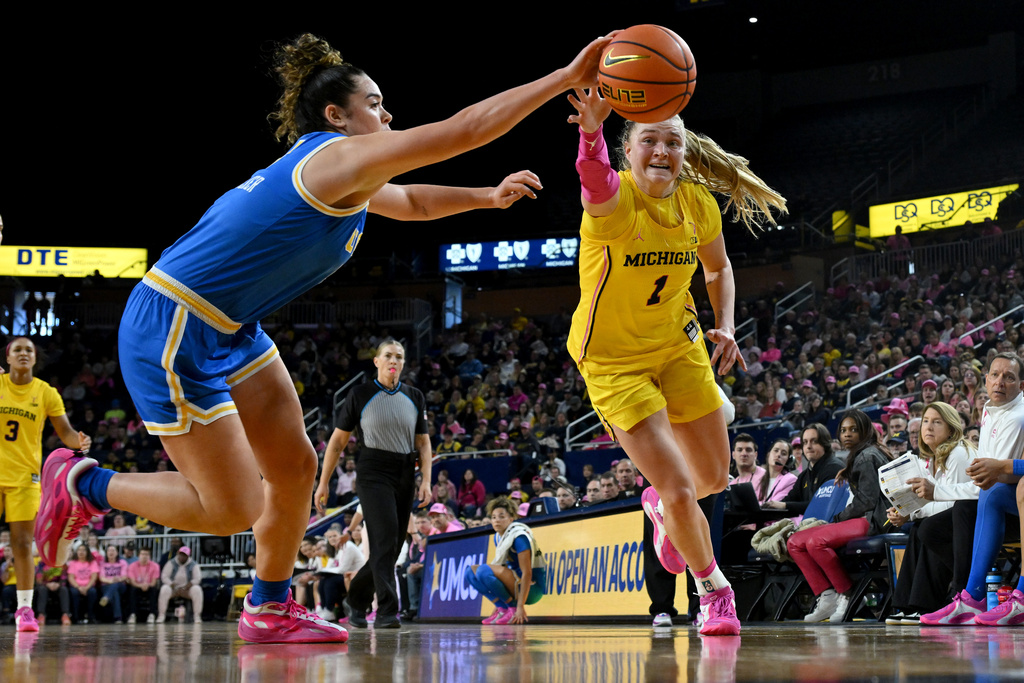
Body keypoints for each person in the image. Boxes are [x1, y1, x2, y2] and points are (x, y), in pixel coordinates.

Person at [34, 31, 614, 644]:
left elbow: (413, 201)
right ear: (336, 116)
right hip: (174, 324)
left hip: (230, 326)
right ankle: (83, 483)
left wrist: (485, 197)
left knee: (293, 467)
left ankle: (270, 607)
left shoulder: (348, 174)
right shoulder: (333, 158)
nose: (388, 115)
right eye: (375, 103)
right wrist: (562, 77)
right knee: (232, 507)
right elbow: (464, 128)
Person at [564, 84, 786, 636]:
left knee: (713, 477)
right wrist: (591, 132)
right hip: (614, 364)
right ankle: (714, 593)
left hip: (679, 346)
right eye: (649, 141)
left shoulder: (698, 204)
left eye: (673, 142)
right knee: (681, 488)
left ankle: (663, 513)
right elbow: (592, 177)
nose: (662, 151)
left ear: (686, 153)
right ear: (627, 153)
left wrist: (727, 325)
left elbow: (718, 268)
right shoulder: (613, 206)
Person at [316, 340, 432, 630]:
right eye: (388, 356)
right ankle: (387, 612)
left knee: (391, 548)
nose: (394, 360)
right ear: (377, 362)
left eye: (400, 357)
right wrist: (323, 483)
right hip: (373, 472)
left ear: (404, 364)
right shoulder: (360, 394)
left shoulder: (415, 396)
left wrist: (427, 480)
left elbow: (423, 442)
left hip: (406, 471)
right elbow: (338, 442)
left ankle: (355, 600)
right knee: (382, 543)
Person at [922, 353, 1024, 626]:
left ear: (1021, 386)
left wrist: (1005, 466)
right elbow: (988, 478)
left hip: (1009, 505)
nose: (1000, 382)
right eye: (995, 375)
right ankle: (967, 595)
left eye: (1009, 377)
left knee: (978, 502)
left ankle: (974, 594)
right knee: (929, 529)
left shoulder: (1018, 417)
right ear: (986, 379)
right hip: (1005, 500)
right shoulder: (990, 411)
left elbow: (991, 479)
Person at [0, 337, 91, 632]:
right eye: (18, 350)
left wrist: (79, 440)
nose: (24, 353)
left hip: (25, 477)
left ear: (35, 359)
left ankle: (24, 610)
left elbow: (64, 430)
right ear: (8, 358)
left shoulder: (45, 392)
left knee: (23, 544)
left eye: (29, 350)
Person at [787, 410, 893, 623]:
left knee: (816, 541)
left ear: (865, 431)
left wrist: (838, 518)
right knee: (795, 542)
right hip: (866, 517)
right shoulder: (861, 455)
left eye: (853, 429)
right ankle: (827, 595)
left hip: (875, 519)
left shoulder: (866, 455)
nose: (847, 434)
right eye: (843, 430)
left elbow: (867, 501)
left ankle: (848, 594)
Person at [886, 402, 974, 624]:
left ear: (952, 428)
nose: (929, 427)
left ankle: (928, 604)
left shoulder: (959, 453)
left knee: (929, 527)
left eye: (937, 422)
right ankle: (907, 604)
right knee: (918, 530)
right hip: (954, 519)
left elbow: (954, 502)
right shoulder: (931, 460)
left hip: (972, 519)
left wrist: (911, 514)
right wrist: (904, 510)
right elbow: (930, 501)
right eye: (926, 421)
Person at [465, 497, 546, 625]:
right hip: (514, 582)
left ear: (511, 519)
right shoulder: (498, 537)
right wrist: (497, 605)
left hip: (532, 589)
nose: (497, 520)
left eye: (501, 516)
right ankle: (503, 609)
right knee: (470, 572)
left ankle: (512, 608)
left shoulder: (519, 537)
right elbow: (499, 573)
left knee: (483, 571)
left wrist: (520, 607)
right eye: (494, 517)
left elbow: (527, 573)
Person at [157, 546, 203, 624]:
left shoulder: (193, 564)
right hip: (173, 588)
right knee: (164, 588)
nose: (182, 557)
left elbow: (198, 578)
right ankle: (161, 616)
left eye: (184, 555)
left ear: (188, 556)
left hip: (187, 589)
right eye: (181, 554)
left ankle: (197, 616)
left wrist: (189, 585)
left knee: (197, 589)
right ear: (178, 553)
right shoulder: (171, 563)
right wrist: (171, 584)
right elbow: (164, 576)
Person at [757, 439, 798, 506]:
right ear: (768, 455)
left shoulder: (790, 479)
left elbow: (774, 504)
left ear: (788, 461)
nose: (778, 455)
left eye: (783, 453)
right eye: (776, 451)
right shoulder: (760, 479)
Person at [126, 547, 161, 624]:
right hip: (137, 586)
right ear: (138, 555)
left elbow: (154, 582)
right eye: (142, 554)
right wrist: (140, 585)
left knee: (154, 590)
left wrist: (146, 585)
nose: (144, 556)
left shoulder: (155, 566)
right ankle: (133, 614)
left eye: (147, 554)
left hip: (149, 586)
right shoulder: (132, 566)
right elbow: (132, 581)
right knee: (132, 589)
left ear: (150, 556)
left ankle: (152, 614)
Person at [97, 544, 129, 623]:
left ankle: (106, 597)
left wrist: (118, 579)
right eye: (109, 550)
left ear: (117, 553)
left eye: (113, 550)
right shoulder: (102, 563)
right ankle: (118, 617)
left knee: (115, 585)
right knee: (114, 592)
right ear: (106, 553)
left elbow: (125, 576)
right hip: (106, 586)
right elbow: (101, 578)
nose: (111, 552)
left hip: (121, 585)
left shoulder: (122, 562)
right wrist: (111, 581)